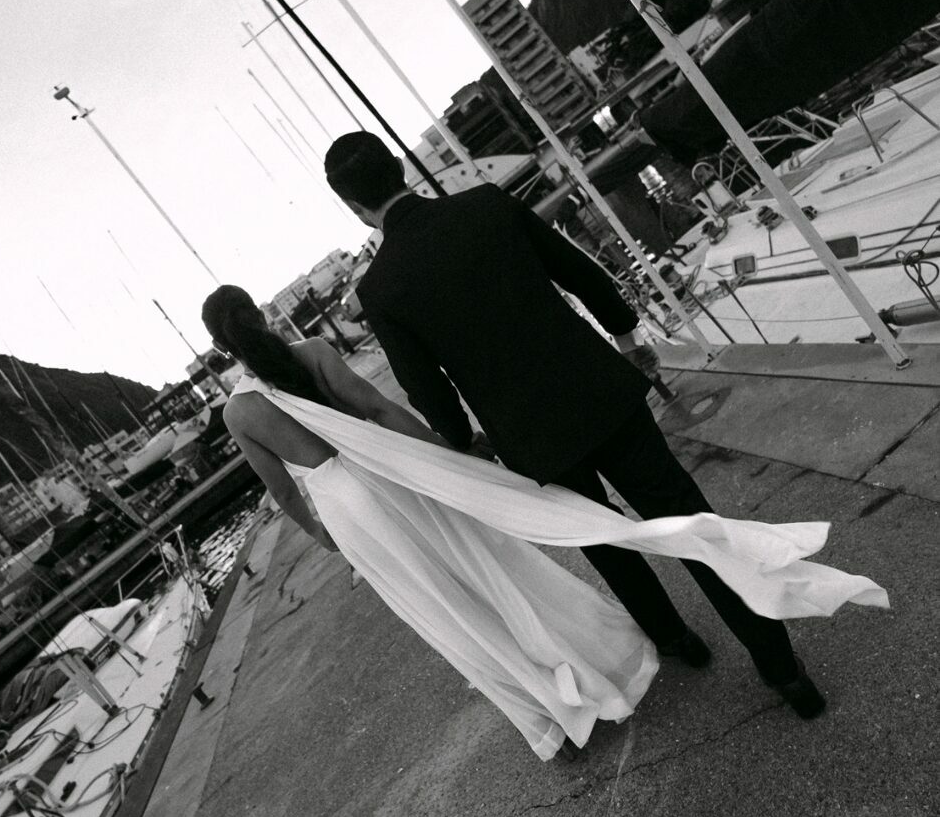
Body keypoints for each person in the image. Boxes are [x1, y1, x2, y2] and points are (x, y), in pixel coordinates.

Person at [201, 289, 886, 760]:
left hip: (352, 512)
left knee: (451, 608)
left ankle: (550, 708)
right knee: (495, 570)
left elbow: (285, 494)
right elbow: (380, 412)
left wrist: (332, 540)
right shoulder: (314, 353)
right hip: (396, 478)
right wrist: (445, 456)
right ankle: (640, 656)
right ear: (258, 316)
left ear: (219, 346)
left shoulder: (239, 412)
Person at [323, 132, 825, 717]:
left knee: (605, 541)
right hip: (599, 390)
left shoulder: (380, 288)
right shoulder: (487, 204)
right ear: (398, 166)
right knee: (691, 521)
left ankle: (676, 640)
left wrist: (463, 441)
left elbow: (427, 389)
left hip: (531, 437)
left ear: (351, 206)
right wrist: (626, 338)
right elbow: (581, 273)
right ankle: (782, 669)